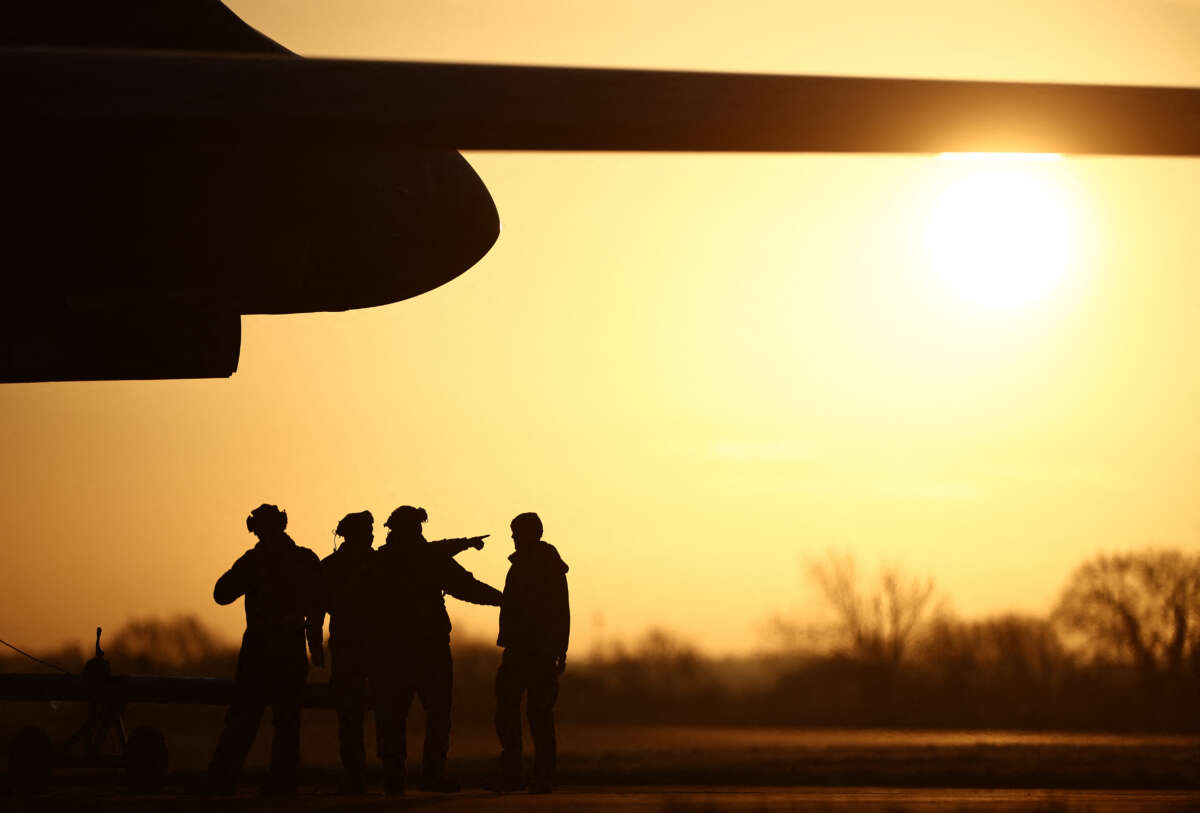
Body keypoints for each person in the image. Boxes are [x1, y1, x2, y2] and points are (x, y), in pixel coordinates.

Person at [372, 505, 502, 795]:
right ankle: (432, 776)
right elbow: (466, 587)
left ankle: (394, 779)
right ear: (416, 528)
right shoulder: (429, 559)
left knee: (392, 717)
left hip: (390, 652)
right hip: (429, 649)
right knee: (437, 714)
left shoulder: (379, 562)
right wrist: (504, 600)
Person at [208, 504, 324, 796]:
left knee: (244, 717)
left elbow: (221, 594)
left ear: (256, 529)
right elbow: (322, 600)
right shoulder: (304, 560)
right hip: (291, 649)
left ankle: (222, 781)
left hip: (258, 651)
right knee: (287, 721)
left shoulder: (253, 561)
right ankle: (282, 785)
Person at [491, 512, 570, 794]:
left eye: (516, 532)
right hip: (520, 650)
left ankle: (540, 775)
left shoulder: (544, 565)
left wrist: (559, 648)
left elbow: (561, 611)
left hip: (536, 651)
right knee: (511, 711)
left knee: (537, 714)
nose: (512, 538)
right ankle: (516, 773)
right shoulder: (528, 563)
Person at [318, 510, 376, 794]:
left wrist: (316, 649)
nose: (373, 535)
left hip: (357, 652)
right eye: (368, 531)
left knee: (352, 720)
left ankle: (358, 778)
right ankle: (369, 778)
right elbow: (316, 610)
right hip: (364, 652)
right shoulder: (380, 565)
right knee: (358, 717)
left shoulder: (331, 566)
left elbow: (315, 612)